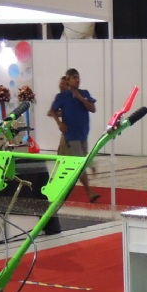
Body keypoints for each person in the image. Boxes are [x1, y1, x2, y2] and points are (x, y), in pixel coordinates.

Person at [47, 68, 100, 202]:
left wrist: (81, 98)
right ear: (68, 80)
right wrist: (59, 123)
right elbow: (52, 111)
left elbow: (93, 109)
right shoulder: (62, 97)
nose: (77, 80)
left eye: (78, 77)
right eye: (74, 77)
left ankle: (59, 187)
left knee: (78, 161)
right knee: (80, 163)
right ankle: (89, 192)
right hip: (71, 135)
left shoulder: (85, 93)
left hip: (83, 133)